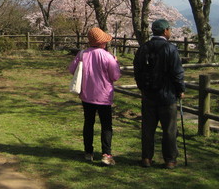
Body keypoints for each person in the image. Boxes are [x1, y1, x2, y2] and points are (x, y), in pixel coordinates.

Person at [133, 19, 185, 169]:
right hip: (167, 95)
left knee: (148, 128)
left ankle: (146, 158)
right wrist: (180, 89)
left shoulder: (144, 48)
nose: (170, 31)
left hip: (148, 94)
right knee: (169, 129)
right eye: (169, 29)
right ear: (164, 31)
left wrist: (141, 87)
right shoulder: (170, 48)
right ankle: (170, 160)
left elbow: (137, 70)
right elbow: (177, 72)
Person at [69, 27, 121, 166]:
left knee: (88, 123)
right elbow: (115, 76)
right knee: (106, 126)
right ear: (102, 42)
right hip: (104, 96)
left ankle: (88, 152)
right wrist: (116, 62)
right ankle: (106, 154)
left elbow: (71, 70)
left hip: (86, 95)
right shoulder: (107, 56)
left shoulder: (82, 54)